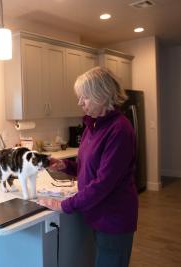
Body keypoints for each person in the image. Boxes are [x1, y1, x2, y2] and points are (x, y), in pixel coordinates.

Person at [38, 66, 138, 267]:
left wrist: (64, 205)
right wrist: (64, 165)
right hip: (97, 213)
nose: (80, 102)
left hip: (114, 217)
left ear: (101, 95)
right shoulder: (92, 126)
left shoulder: (119, 129)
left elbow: (103, 183)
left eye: (84, 97)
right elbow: (88, 167)